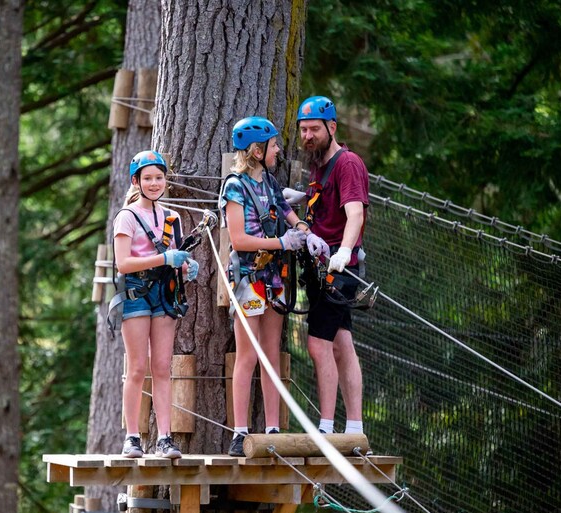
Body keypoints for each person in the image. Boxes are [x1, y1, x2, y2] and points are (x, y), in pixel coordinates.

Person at [220, 117, 329, 456]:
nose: (279, 150)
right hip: (250, 279)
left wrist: (307, 234)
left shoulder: (268, 181)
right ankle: (240, 433)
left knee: (271, 355)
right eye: (273, 145)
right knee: (247, 356)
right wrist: (283, 242)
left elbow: (286, 211)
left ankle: (272, 428)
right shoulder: (234, 186)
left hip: (274, 278)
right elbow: (238, 239)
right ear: (256, 150)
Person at [113, 150, 199, 459]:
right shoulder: (127, 217)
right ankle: (132, 436)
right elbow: (123, 263)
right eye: (147, 178)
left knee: (162, 367)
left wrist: (184, 267)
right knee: (137, 367)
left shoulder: (171, 218)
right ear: (136, 181)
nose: (154, 183)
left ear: (165, 180)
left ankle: (165, 438)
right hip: (136, 291)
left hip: (165, 290)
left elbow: (172, 256)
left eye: (159, 177)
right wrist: (165, 258)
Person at [297, 95, 370, 435]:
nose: (308, 136)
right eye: (303, 130)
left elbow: (355, 213)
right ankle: (353, 426)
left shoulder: (347, 163)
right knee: (342, 344)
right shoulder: (318, 165)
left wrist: (344, 252)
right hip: (321, 266)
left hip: (339, 269)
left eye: (314, 129)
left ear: (332, 127)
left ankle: (326, 427)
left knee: (317, 344)